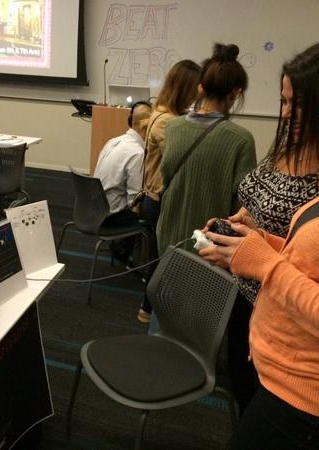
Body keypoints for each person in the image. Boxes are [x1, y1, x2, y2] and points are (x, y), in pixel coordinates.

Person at [208, 45, 319, 450]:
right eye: (284, 101)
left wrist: (263, 261)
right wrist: (255, 241)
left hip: (313, 394)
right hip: (276, 351)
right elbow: (314, 258)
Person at [155, 44, 256, 255]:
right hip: (209, 244)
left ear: (200, 88)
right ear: (235, 93)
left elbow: (165, 178)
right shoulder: (241, 140)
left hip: (168, 234)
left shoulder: (173, 127)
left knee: (167, 277)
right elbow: (242, 206)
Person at [137, 59, 200, 321]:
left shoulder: (165, 115)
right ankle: (152, 310)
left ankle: (147, 309)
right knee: (162, 258)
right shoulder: (167, 122)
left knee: (157, 256)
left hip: (154, 197)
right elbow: (184, 158)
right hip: (158, 198)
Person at [94, 100, 152, 220]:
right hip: (114, 218)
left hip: (94, 211)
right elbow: (134, 202)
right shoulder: (138, 153)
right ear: (147, 126)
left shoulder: (112, 142)